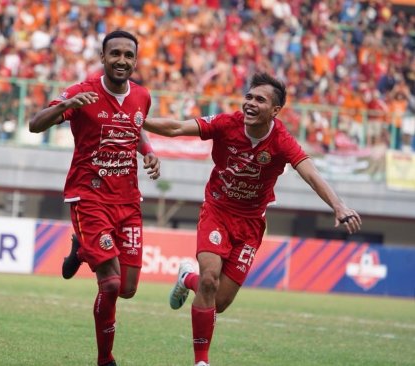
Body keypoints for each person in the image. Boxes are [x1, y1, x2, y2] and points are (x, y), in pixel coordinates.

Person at [143, 72, 363, 366]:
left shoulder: (282, 140)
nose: (250, 103)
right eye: (249, 96)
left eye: (260, 100)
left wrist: (338, 205)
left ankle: (186, 277)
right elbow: (175, 128)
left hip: (250, 225)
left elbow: (310, 172)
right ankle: (201, 362)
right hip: (217, 211)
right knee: (209, 280)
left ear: (274, 110)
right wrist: (135, 120)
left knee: (218, 302)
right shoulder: (225, 124)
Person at [28, 30, 160, 366]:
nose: (121, 60)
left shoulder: (143, 96)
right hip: (89, 198)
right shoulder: (82, 92)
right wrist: (67, 105)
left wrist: (147, 150)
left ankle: (81, 248)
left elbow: (135, 125)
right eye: (114, 53)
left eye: (128, 55)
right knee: (112, 284)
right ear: (102, 58)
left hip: (129, 202)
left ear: (135, 59)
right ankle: (105, 359)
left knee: (128, 288)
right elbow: (35, 125)